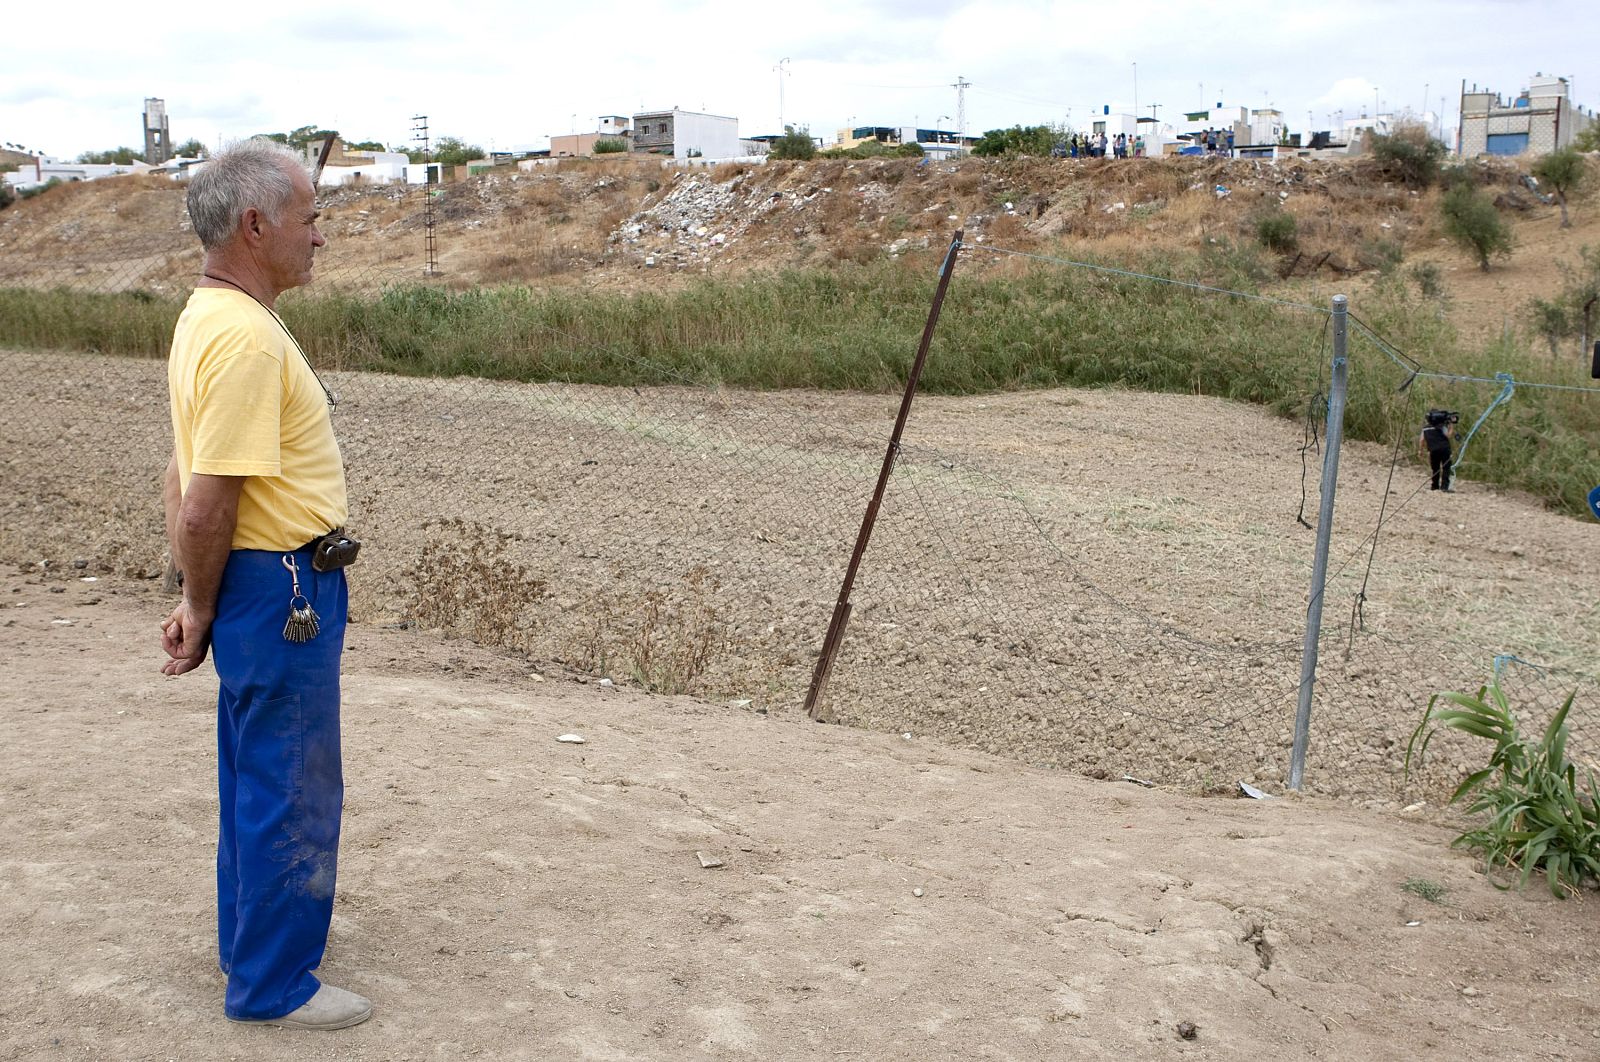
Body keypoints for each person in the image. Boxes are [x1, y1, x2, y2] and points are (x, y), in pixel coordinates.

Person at [161, 138, 371, 1030]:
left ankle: (250, 945)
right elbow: (206, 501)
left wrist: (196, 596)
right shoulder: (246, 339)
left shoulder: (207, 316)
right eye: (310, 219)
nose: (319, 237)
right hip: (283, 590)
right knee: (292, 784)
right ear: (256, 225)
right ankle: (275, 986)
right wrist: (199, 601)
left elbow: (181, 471)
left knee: (257, 773)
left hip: (256, 587)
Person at [1419, 410, 1455, 491]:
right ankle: (1444, 487)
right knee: (1446, 467)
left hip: (1433, 450)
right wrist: (1451, 427)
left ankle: (1435, 486)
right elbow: (1448, 435)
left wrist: (1420, 450)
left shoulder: (1425, 428)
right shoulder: (1442, 427)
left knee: (1435, 468)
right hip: (1445, 449)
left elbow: (1422, 440)